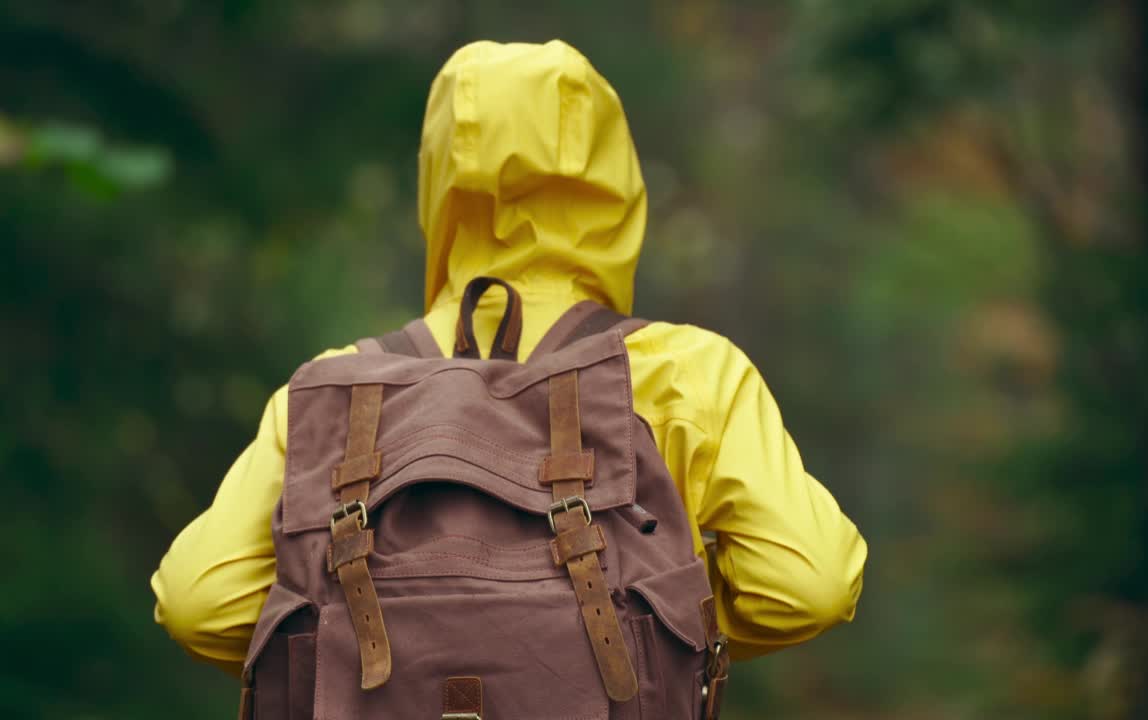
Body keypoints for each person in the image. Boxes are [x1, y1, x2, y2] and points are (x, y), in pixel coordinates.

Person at [152, 38, 867, 689]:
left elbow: (197, 602)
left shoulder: (334, 389)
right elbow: (810, 584)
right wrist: (652, 613)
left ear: (438, 180)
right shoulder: (687, 372)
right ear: (615, 181)